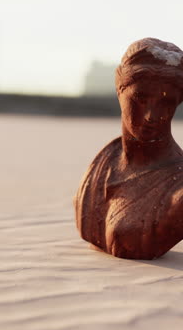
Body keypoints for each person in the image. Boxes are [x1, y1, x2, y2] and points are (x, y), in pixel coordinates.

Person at [75, 38, 183, 259]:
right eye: (140, 98)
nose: (152, 116)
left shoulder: (177, 190)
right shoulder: (104, 161)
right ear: (119, 90)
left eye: (166, 102)